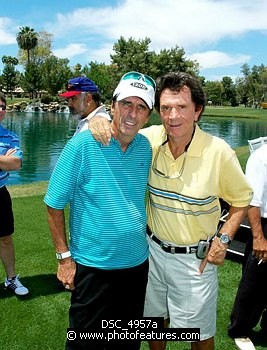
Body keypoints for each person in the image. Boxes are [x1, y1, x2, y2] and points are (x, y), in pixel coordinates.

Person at [88, 71, 253, 350]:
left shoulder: (218, 152)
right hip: (151, 254)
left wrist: (223, 240)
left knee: (198, 335)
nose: (172, 116)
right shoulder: (149, 140)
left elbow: (242, 199)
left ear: (198, 111)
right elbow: (123, 124)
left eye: (182, 107)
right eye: (165, 108)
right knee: (153, 325)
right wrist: (98, 119)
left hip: (193, 262)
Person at [44, 71, 156, 350]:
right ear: (113, 105)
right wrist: (64, 258)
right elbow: (54, 203)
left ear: (148, 116)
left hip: (136, 267)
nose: (132, 113)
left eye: (141, 107)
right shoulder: (83, 144)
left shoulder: (145, 147)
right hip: (94, 269)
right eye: (126, 104)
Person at [228, 143, 267, 350]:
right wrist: (259, 238)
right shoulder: (261, 157)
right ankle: (239, 330)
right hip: (264, 226)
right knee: (254, 284)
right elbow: (252, 201)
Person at [0, 92, 29, 296]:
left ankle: (11, 279)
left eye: (3, 106)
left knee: (5, 239)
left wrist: (7, 161)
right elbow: (7, 162)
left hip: (0, 194)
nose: (0, 110)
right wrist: (3, 158)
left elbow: (16, 164)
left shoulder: (10, 136)